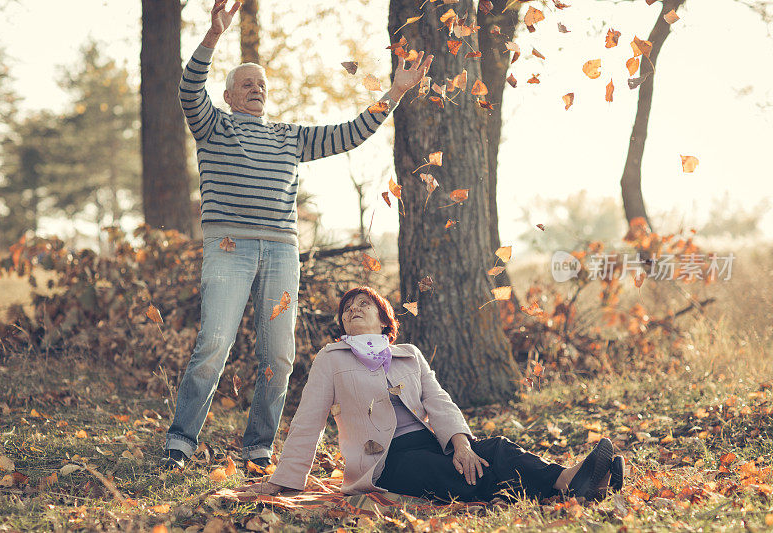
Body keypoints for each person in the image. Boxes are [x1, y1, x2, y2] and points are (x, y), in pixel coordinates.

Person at [162, 1, 433, 471]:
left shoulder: (290, 136)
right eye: (246, 84)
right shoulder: (213, 126)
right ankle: (181, 441)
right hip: (229, 248)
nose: (256, 90)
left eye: (261, 85)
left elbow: (349, 134)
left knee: (279, 355)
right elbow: (189, 89)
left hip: (282, 253)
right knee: (215, 344)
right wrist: (212, 37)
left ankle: (258, 448)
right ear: (227, 95)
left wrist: (394, 92)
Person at [244, 286, 625, 503]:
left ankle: (568, 480)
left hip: (431, 442)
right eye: (347, 309)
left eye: (364, 305)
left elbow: (440, 402)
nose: (353, 310)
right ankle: (580, 484)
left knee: (494, 450)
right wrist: (287, 478)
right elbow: (308, 420)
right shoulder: (331, 358)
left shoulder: (408, 355)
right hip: (386, 462)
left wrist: (461, 444)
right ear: (342, 324)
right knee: (442, 475)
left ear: (384, 321)